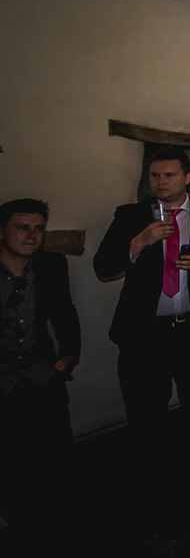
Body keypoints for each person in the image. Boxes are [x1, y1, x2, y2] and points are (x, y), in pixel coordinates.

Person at [93, 146, 190, 486]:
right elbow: (103, 266)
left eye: (169, 175)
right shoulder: (131, 216)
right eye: (156, 175)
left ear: (186, 178)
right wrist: (139, 241)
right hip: (145, 334)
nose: (161, 182)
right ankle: (153, 483)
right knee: (146, 413)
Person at [0, 199, 80, 530]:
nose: (32, 236)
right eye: (22, 227)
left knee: (56, 458)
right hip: (3, 381)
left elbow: (65, 312)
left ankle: (58, 526)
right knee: (10, 461)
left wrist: (66, 359)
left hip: (42, 375)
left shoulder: (50, 265)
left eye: (38, 228)